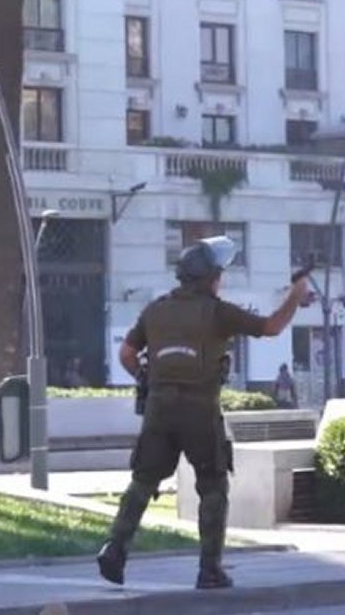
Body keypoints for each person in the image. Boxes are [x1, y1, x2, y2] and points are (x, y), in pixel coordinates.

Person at [96, 236, 308, 590]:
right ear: (210, 277)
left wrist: (149, 381)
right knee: (212, 487)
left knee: (143, 482)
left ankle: (114, 549)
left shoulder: (155, 310)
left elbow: (127, 355)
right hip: (199, 410)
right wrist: (295, 298)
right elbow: (271, 327)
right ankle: (209, 570)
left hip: (158, 409)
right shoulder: (217, 311)